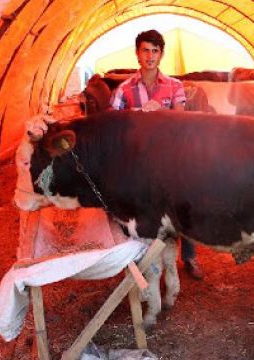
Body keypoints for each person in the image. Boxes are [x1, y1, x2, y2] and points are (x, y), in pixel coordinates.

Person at [109, 29, 202, 279]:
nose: (150, 56)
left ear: (161, 54)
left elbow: (180, 122)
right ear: (137, 54)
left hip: (169, 160)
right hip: (137, 162)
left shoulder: (174, 86)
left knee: (181, 205)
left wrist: (159, 112)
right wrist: (140, 111)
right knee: (141, 209)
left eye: (155, 51)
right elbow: (113, 126)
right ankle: (139, 259)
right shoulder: (123, 89)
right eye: (145, 50)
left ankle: (190, 256)